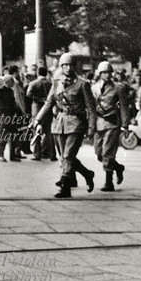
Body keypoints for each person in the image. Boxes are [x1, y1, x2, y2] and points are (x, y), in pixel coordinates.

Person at [35, 53, 96, 199]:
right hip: (59, 122)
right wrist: (37, 120)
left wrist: (91, 128)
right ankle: (87, 174)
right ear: (61, 66)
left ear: (75, 66)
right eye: (65, 65)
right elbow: (49, 102)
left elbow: (91, 108)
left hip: (76, 123)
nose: (68, 68)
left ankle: (65, 187)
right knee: (65, 157)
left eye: (70, 65)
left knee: (68, 155)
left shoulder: (83, 84)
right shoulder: (56, 83)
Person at [90, 61, 128, 192]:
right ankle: (118, 167)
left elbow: (123, 106)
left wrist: (125, 124)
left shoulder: (118, 87)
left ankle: (108, 181)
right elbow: (91, 108)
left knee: (108, 153)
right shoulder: (94, 88)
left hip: (112, 122)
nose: (107, 75)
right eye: (104, 72)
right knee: (99, 153)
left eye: (108, 72)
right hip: (98, 122)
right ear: (99, 74)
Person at [0, 74, 28, 162]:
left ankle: (12, 155)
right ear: (8, 82)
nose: (13, 83)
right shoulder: (0, 91)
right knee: (3, 136)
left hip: (11, 116)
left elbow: (13, 103)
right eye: (12, 82)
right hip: (4, 116)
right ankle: (1, 155)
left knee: (13, 136)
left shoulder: (10, 91)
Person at [27, 66, 56, 161]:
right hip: (48, 109)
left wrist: (38, 99)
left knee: (36, 132)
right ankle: (52, 154)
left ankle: (37, 154)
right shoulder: (50, 84)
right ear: (46, 73)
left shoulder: (33, 83)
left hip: (36, 108)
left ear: (38, 73)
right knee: (49, 132)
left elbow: (29, 94)